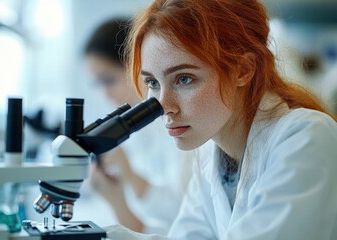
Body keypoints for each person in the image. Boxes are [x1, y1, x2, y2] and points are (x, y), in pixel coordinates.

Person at [105, 0, 337, 239]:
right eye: (152, 83)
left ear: (244, 69)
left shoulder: (306, 138)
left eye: (184, 79)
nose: (164, 106)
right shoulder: (209, 155)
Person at [84, 18, 191, 234]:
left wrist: (129, 174)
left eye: (108, 80)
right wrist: (115, 196)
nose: (104, 94)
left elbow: (185, 217)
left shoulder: (179, 124)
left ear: (136, 66)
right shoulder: (136, 134)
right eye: (98, 84)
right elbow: (142, 227)